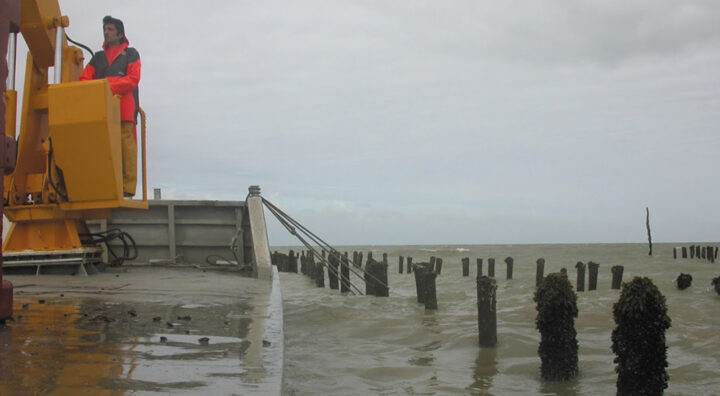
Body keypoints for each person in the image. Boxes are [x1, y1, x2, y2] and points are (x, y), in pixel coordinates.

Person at [79, 15, 141, 199]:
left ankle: (127, 189)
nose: (106, 32)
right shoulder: (97, 58)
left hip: (125, 112)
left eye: (110, 29)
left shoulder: (131, 54)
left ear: (120, 34)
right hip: (101, 112)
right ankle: (105, 187)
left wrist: (104, 84)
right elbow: (83, 79)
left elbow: (133, 79)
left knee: (126, 150)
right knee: (103, 149)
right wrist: (111, 84)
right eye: (105, 29)